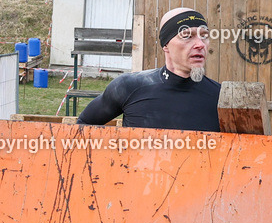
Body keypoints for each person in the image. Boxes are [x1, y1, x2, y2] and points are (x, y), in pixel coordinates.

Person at [77, 8, 221, 131]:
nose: (200, 44)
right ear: (166, 45)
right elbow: (81, 128)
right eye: (187, 36)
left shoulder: (221, 98)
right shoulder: (128, 87)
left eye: (204, 36)